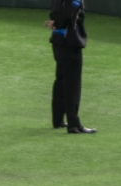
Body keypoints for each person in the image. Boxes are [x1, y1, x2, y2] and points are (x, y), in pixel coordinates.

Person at [47, 0, 95, 134]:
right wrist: (57, 23)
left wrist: (55, 22)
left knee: (61, 80)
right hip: (70, 43)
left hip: (58, 42)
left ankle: (57, 120)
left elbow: (55, 12)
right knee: (72, 84)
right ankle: (74, 125)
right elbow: (69, 13)